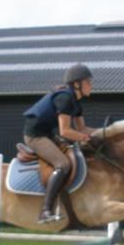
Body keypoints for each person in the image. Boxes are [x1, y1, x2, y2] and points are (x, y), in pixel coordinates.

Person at [23, 63, 95, 223]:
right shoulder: (66, 98)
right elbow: (66, 132)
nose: (91, 85)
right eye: (88, 82)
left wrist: (103, 132)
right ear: (77, 84)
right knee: (63, 164)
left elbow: (82, 128)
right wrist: (84, 138)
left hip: (47, 133)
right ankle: (45, 211)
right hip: (35, 135)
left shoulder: (76, 102)